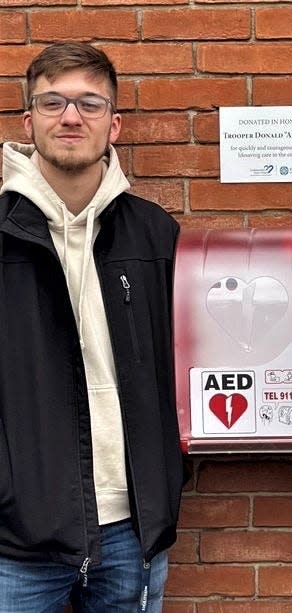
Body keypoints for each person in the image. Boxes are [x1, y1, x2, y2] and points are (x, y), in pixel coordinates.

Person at [0, 42, 185, 612]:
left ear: (115, 123)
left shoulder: (155, 235)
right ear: (29, 122)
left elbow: (182, 367)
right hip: (16, 540)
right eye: (53, 103)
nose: (71, 117)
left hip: (133, 531)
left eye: (89, 103)